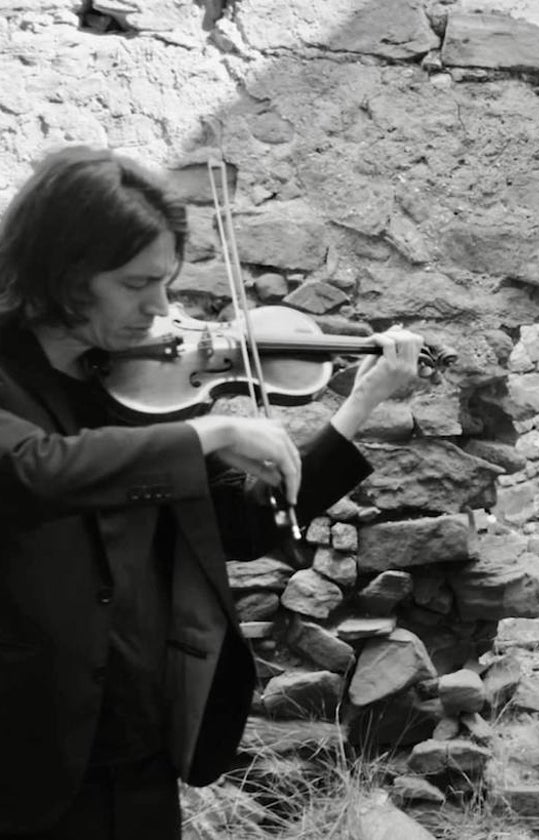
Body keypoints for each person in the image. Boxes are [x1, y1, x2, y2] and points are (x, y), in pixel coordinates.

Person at [0, 146, 426, 839]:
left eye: (165, 282)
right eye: (138, 285)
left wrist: (361, 404)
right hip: (22, 757)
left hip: (138, 749)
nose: (161, 308)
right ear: (66, 276)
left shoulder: (131, 393)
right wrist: (208, 433)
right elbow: (35, 469)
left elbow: (247, 524)